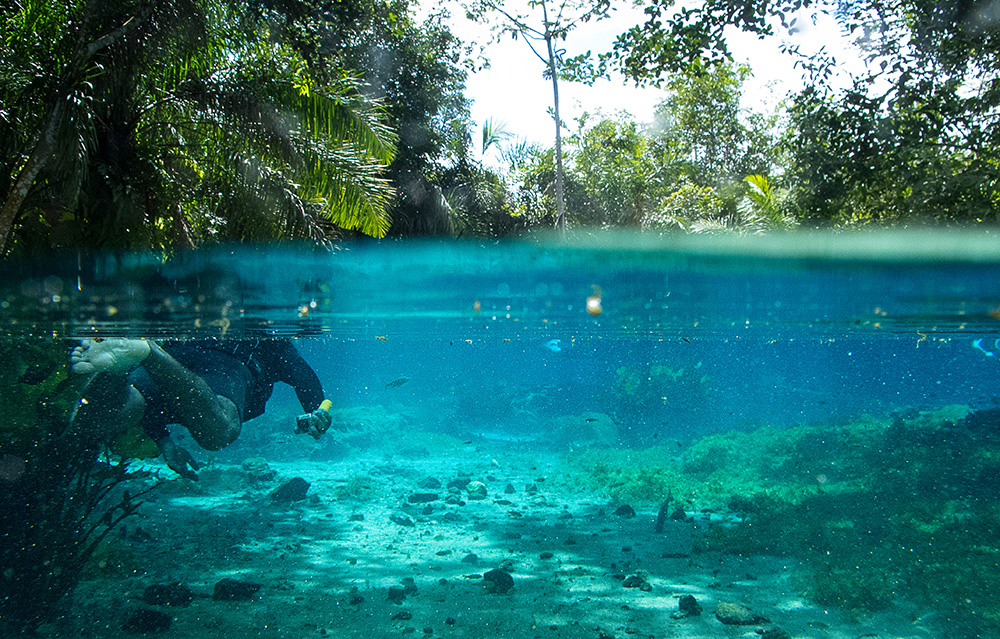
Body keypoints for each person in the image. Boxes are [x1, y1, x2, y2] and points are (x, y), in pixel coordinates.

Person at [69, 337, 332, 479]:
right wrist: (316, 410)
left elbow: (158, 406)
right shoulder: (269, 341)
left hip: (172, 355)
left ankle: (117, 370)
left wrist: (166, 444)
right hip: (226, 362)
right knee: (218, 432)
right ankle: (148, 352)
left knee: (92, 422)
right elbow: (301, 373)